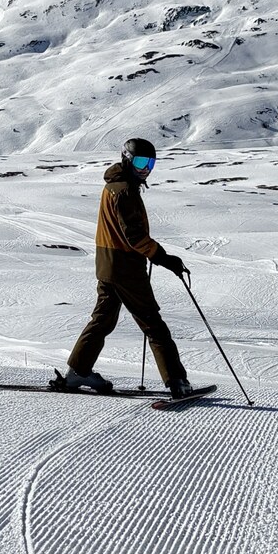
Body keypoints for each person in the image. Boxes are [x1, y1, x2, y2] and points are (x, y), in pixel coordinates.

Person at [53, 137, 196, 394]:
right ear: (127, 160)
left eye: (150, 163)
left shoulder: (114, 185)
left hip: (107, 264)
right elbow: (135, 237)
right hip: (125, 268)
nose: (146, 169)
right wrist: (162, 257)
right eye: (141, 163)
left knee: (103, 320)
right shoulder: (125, 191)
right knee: (153, 324)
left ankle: (77, 372)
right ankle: (177, 382)